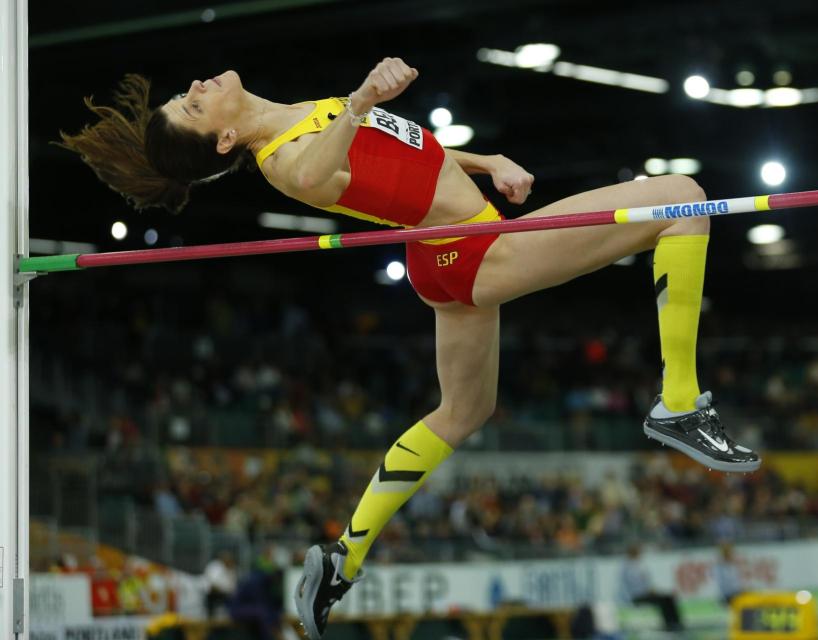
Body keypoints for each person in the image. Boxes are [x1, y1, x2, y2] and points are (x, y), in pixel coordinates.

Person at [59, 56, 760, 639]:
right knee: (681, 199)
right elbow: (311, 178)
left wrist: (486, 161)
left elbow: (407, 151)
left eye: (185, 93)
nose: (197, 87)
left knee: (462, 413)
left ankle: (343, 559)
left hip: (443, 257)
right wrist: (361, 98)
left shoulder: (298, 116)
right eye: (192, 104)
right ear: (220, 142)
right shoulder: (285, 154)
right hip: (474, 253)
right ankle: (677, 403)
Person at [619, 544, 684, 632]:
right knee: (664, 599)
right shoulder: (628, 567)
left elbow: (647, 584)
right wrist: (650, 591)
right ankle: (670, 623)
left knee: (668, 597)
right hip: (637, 596)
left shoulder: (638, 565)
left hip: (644, 593)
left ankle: (674, 622)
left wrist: (654, 591)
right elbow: (635, 586)